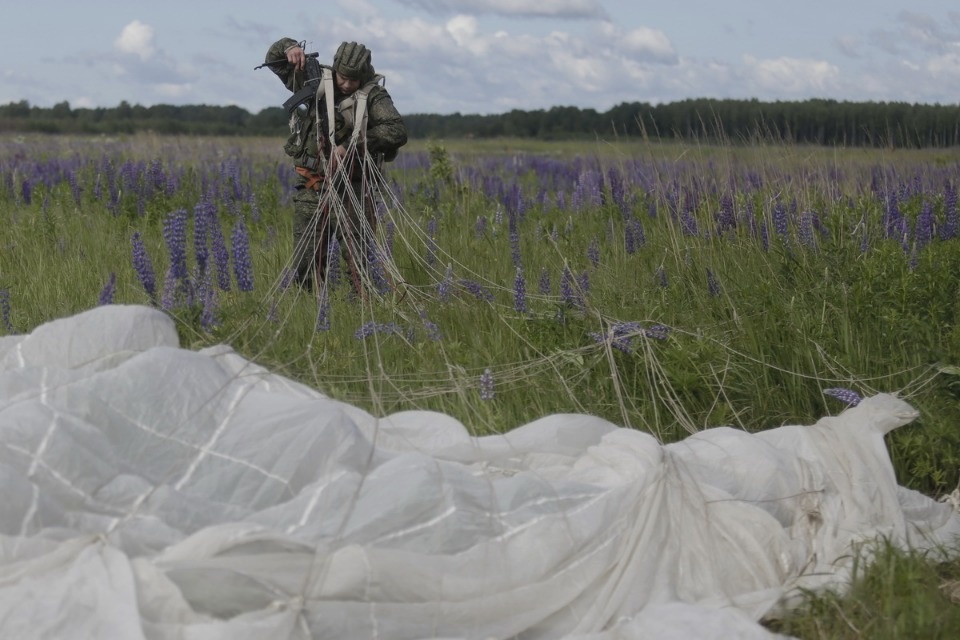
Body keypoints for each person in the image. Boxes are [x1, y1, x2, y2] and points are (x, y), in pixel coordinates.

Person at [263, 37, 408, 293]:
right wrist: (289, 48)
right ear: (336, 67)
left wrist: (355, 144)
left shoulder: (373, 96)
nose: (347, 84)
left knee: (359, 262)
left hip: (353, 187)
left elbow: (395, 130)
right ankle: (310, 311)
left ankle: (359, 311)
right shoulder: (313, 79)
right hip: (313, 185)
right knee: (305, 262)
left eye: (354, 80)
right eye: (343, 77)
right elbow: (274, 61)